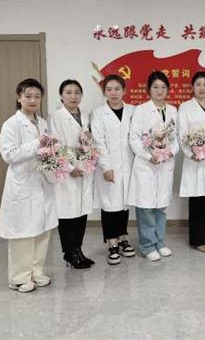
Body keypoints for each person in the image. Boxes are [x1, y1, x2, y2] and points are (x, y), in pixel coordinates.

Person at [0, 78, 57, 292]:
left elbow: (47, 150)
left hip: (42, 183)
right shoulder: (11, 124)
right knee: (22, 233)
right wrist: (37, 143)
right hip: (22, 184)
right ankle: (19, 277)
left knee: (42, 230)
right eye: (28, 96)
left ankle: (36, 271)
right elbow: (9, 154)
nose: (33, 100)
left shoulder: (42, 123)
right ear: (19, 97)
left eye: (37, 96)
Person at [128, 71, 179, 261]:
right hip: (146, 166)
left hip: (165, 164)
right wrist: (149, 156)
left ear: (168, 90)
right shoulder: (141, 110)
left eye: (163, 87)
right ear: (148, 89)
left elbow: (176, 138)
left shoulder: (173, 110)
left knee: (161, 207)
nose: (159, 91)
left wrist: (170, 153)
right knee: (146, 208)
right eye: (155, 87)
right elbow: (134, 138)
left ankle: (160, 242)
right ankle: (147, 245)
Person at [49, 79, 95, 268]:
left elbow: (88, 141)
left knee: (81, 212)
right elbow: (55, 146)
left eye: (77, 92)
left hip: (84, 169)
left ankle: (78, 250)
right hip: (67, 172)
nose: (73, 96)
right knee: (67, 214)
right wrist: (69, 168)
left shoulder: (85, 115)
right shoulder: (56, 117)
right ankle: (69, 253)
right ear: (61, 96)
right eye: (68, 92)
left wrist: (89, 141)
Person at [91, 74, 136, 265]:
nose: (113, 93)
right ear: (104, 92)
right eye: (109, 89)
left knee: (124, 204)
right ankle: (112, 243)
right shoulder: (98, 113)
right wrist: (106, 166)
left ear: (124, 91)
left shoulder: (133, 111)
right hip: (108, 166)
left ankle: (123, 238)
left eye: (117, 88)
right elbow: (98, 142)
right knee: (110, 205)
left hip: (129, 165)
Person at [178, 71, 205, 253]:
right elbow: (182, 134)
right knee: (196, 200)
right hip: (194, 159)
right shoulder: (185, 108)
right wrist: (192, 153)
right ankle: (198, 239)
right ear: (192, 87)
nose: (202, 88)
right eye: (198, 84)